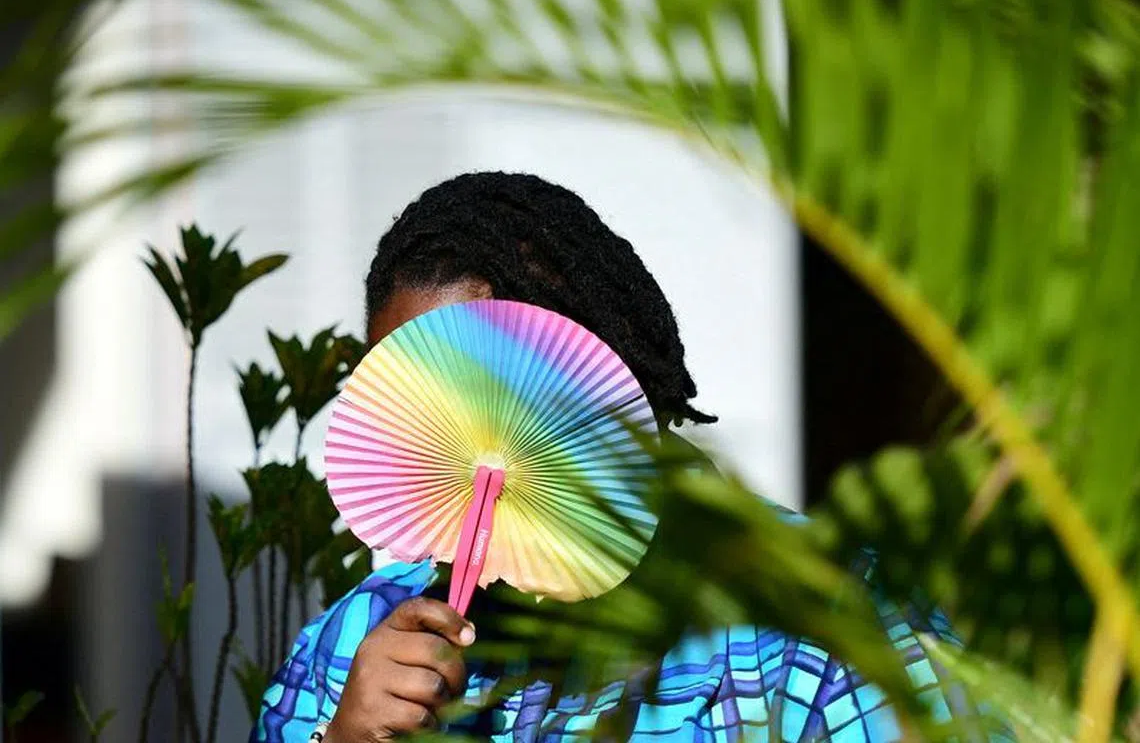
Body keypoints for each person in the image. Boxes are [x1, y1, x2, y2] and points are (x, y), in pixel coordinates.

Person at [252, 172, 1006, 743]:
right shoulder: (352, 646)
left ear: (604, 369)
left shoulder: (829, 630)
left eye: (478, 392)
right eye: (413, 406)